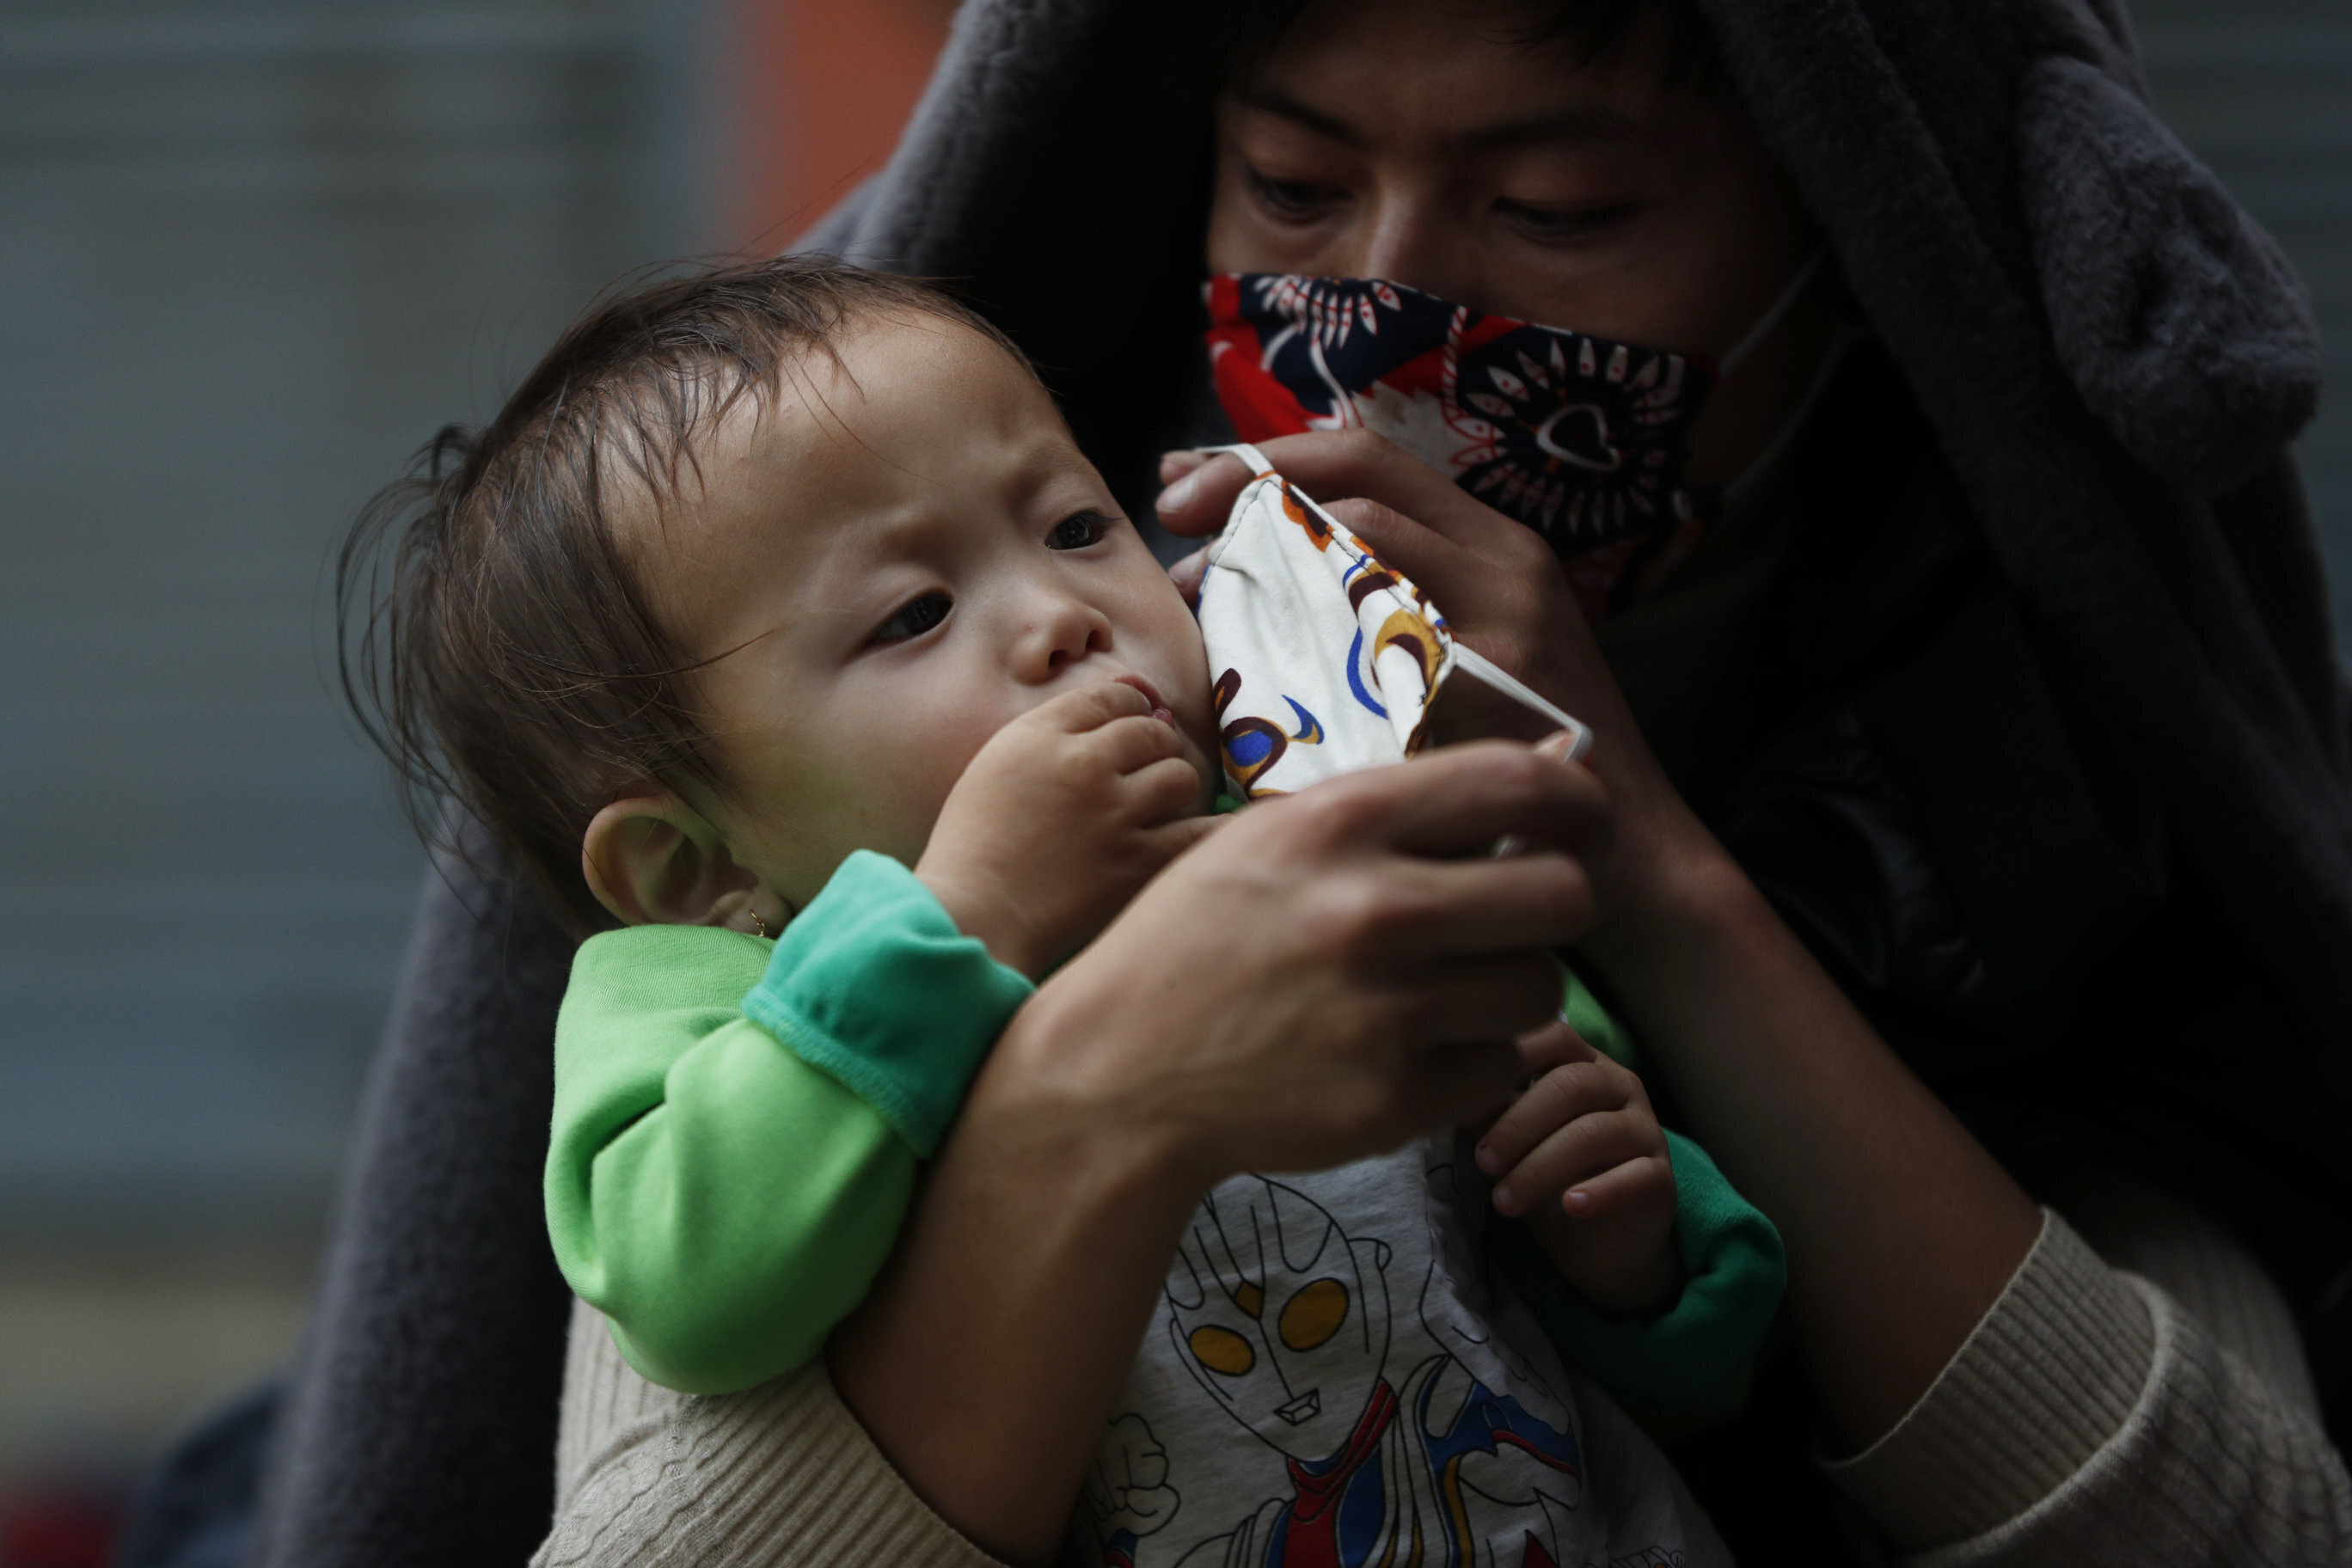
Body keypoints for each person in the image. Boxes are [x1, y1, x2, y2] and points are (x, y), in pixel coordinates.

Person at [517, 0, 2352, 1565]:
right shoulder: (811, 687)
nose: (1384, 304)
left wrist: (1633, 852)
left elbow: (2229, 1527)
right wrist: (1094, 1089)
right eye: (1298, 187)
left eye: (1559, 206)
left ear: (1864, 240)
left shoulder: (2042, 784)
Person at [346, 255, 1785, 1565]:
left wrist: (1634, 1247)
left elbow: (1681, 1354)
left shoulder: (1305, 814)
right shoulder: (717, 990)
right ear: (691, 866)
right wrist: (959, 915)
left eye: (1076, 522)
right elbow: (693, 1294)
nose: (1062, 616)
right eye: (914, 614)